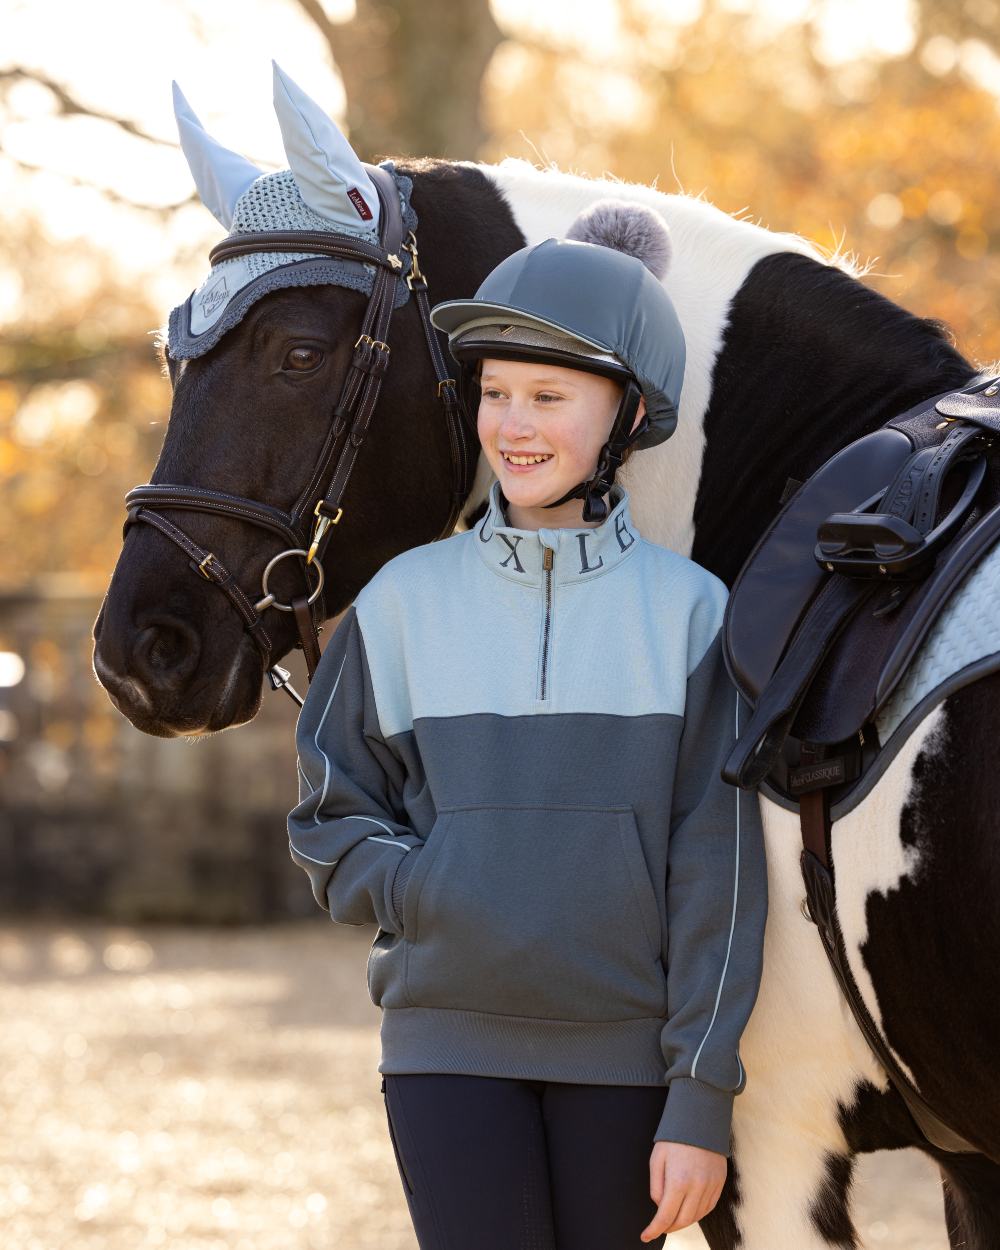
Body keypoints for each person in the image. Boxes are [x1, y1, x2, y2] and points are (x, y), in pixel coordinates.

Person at [287, 200, 767, 1250]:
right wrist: (429, 885)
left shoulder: (693, 616)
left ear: (627, 414)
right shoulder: (401, 601)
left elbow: (719, 877)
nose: (513, 423)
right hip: (443, 1055)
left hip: (624, 1062)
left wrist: (698, 1095)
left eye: (549, 394)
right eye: (495, 392)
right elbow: (329, 810)